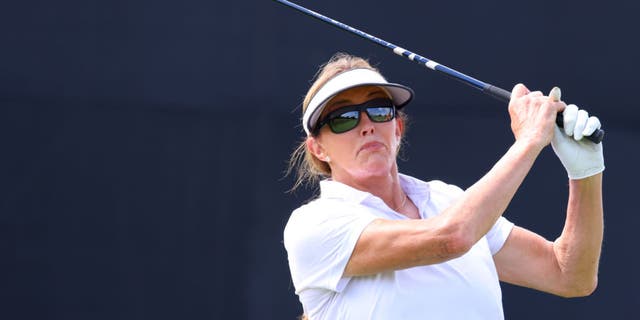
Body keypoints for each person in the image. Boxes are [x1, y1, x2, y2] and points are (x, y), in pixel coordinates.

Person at [283, 53, 604, 320]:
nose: (366, 126)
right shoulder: (314, 225)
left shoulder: (449, 200)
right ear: (318, 149)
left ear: (397, 126)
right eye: (343, 118)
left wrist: (585, 172)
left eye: (378, 111)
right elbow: (451, 238)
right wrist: (531, 140)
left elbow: (569, 274)